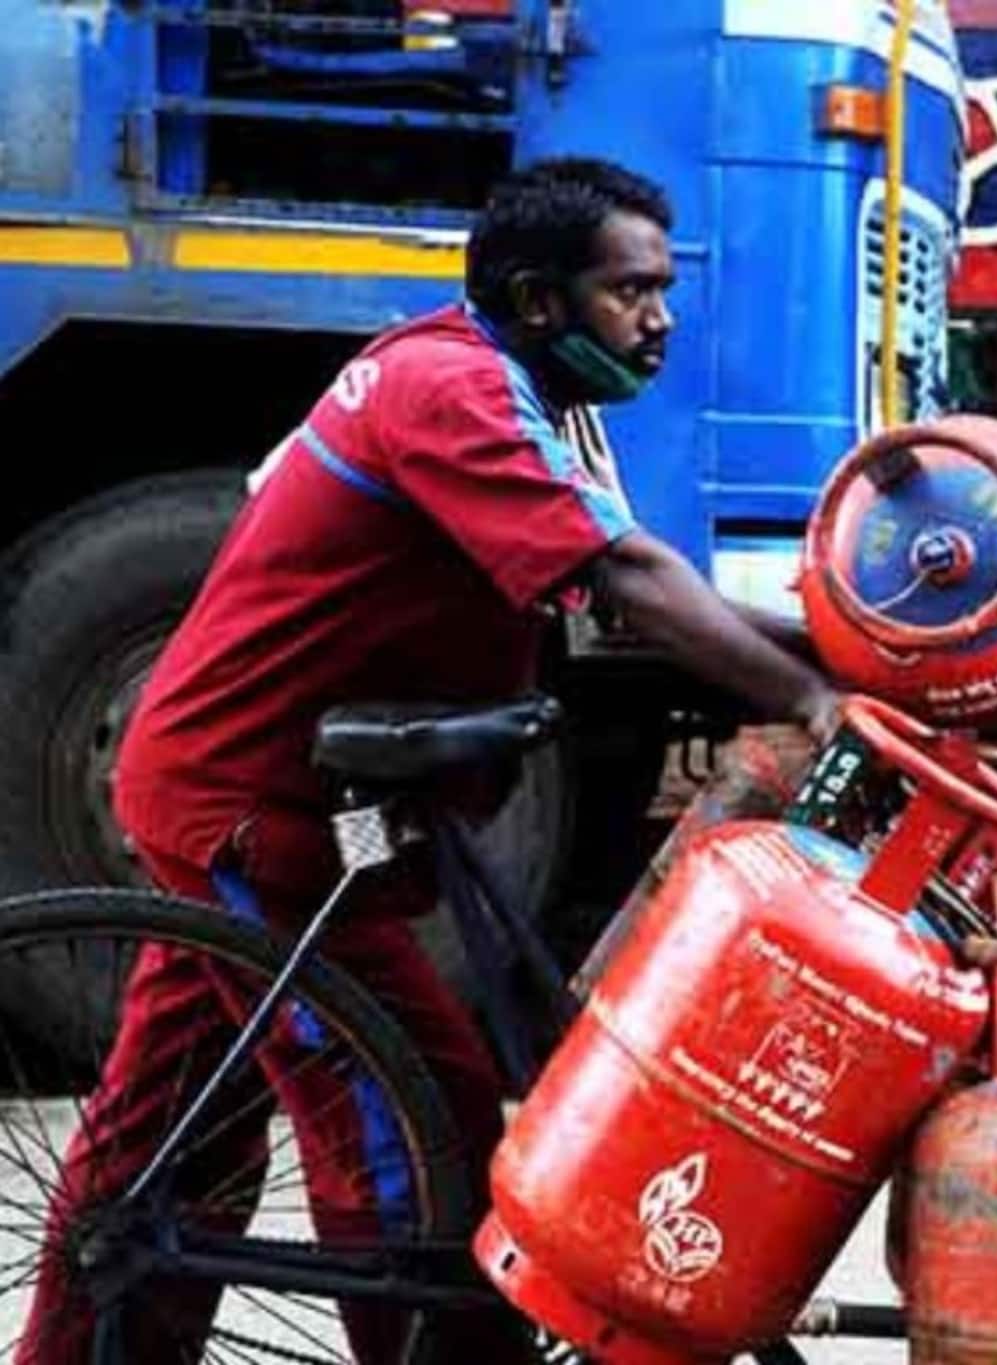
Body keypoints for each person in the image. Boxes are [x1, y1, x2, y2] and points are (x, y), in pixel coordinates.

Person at [18, 157, 840, 1362]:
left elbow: (633, 595)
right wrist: (813, 698)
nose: (659, 319)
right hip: (251, 809)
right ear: (539, 299)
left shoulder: (522, 394)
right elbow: (625, 579)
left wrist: (845, 654)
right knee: (411, 1110)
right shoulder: (449, 389)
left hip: (273, 795)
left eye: (662, 291)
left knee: (172, 1131)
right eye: (631, 292)